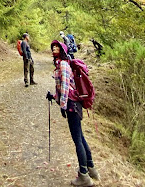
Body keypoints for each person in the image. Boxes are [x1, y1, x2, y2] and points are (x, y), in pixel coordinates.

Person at [46, 40, 100, 186]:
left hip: (71, 105)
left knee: (77, 139)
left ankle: (84, 176)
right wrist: (54, 97)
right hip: (74, 103)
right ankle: (91, 168)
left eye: (57, 47)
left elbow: (64, 87)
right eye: (53, 47)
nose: (54, 48)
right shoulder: (62, 64)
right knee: (80, 137)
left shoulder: (63, 64)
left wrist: (63, 105)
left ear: (63, 50)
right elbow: (66, 87)